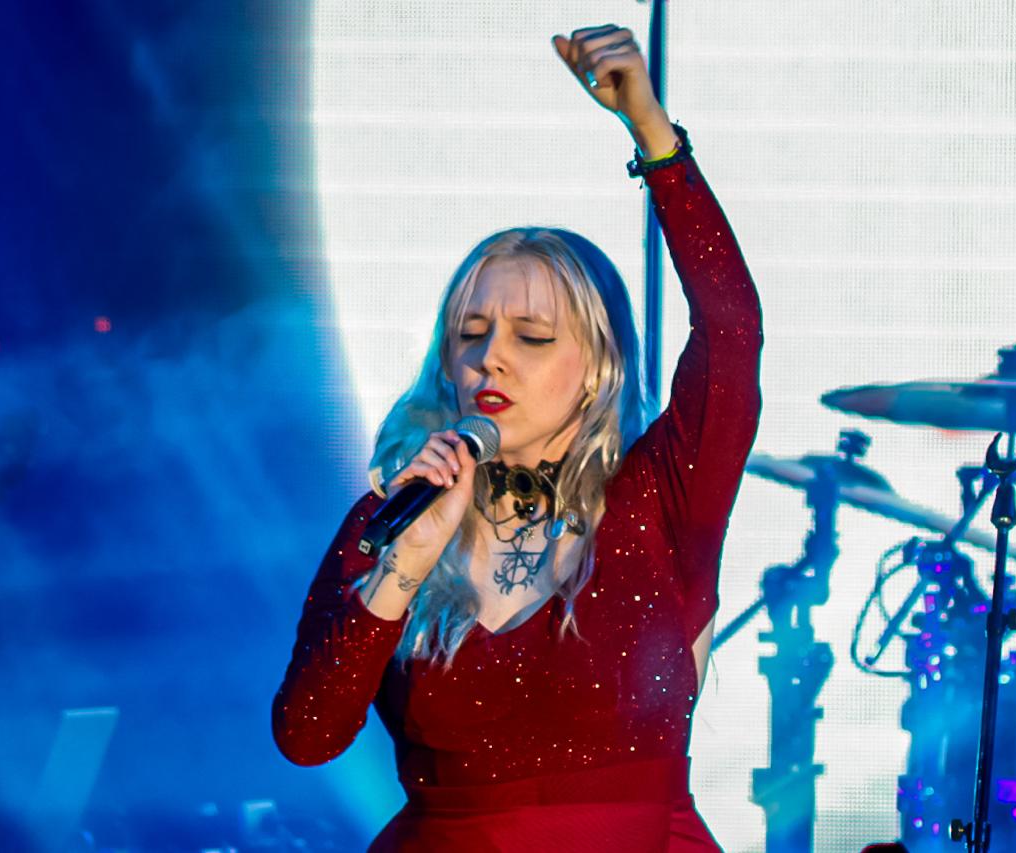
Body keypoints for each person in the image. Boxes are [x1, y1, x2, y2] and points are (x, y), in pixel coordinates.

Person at [274, 23, 762, 852]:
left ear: (598, 368)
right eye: (470, 334)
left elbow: (732, 332)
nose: (490, 356)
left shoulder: (657, 499)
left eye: (532, 336)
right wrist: (404, 565)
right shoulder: (390, 518)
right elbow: (307, 735)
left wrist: (653, 136)